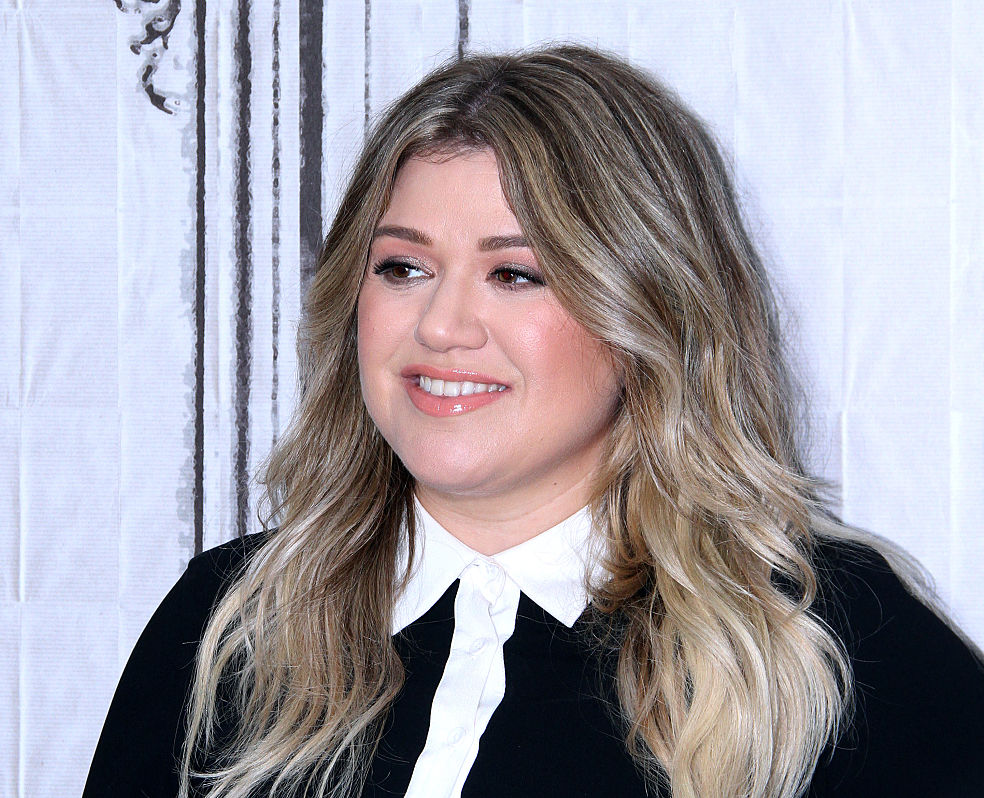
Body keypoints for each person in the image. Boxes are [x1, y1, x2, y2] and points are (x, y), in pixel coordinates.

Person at [84, 45, 984, 798]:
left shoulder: (829, 645)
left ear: (651, 311)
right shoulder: (227, 619)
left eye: (515, 274)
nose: (441, 326)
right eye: (402, 268)